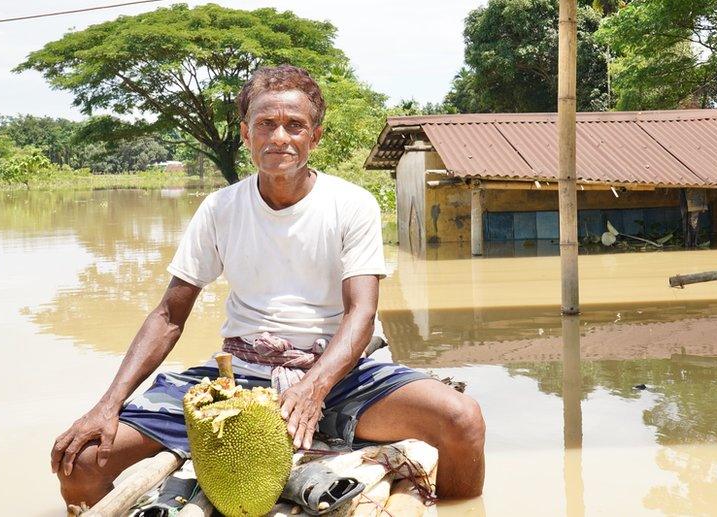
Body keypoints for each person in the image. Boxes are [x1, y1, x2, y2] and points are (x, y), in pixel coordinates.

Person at [51, 64, 486, 507]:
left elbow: (361, 313)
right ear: (247, 134)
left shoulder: (351, 204)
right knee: (82, 461)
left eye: (295, 126)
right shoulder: (220, 208)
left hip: (337, 372)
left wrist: (313, 388)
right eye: (266, 125)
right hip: (240, 375)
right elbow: (168, 316)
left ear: (314, 137)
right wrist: (108, 403)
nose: (280, 137)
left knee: (462, 419)